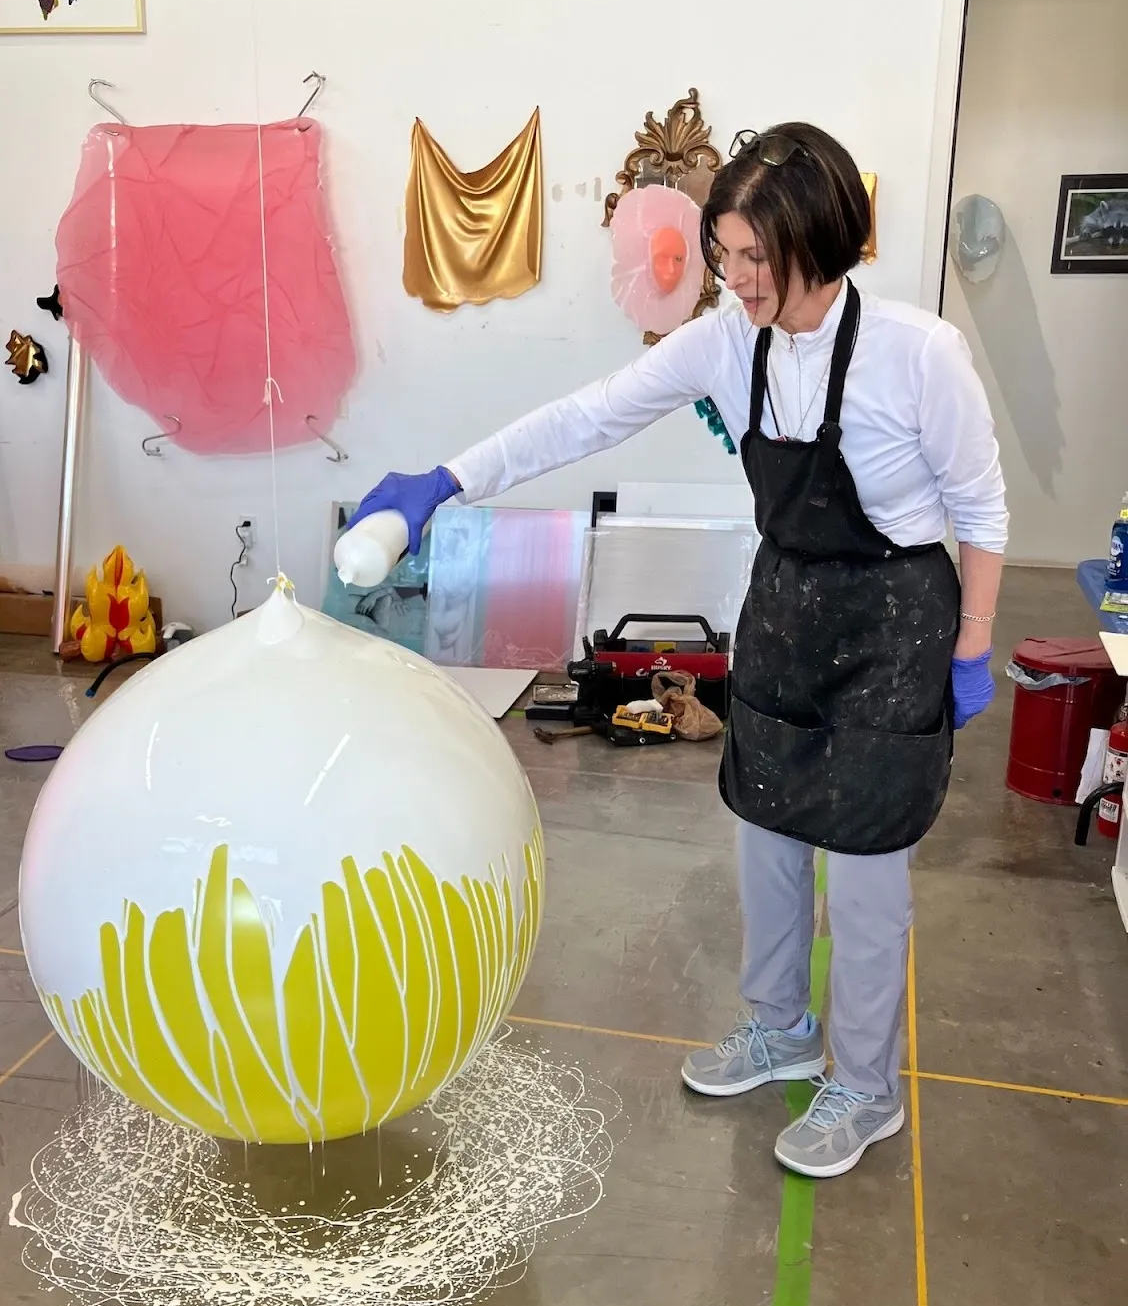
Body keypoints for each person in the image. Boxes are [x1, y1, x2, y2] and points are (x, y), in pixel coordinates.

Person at [349, 123, 1008, 1179]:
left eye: (757, 259)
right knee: (768, 827)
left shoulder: (917, 353)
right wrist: (445, 480)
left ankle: (866, 1085)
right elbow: (585, 421)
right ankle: (779, 1027)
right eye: (725, 255)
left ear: (821, 241)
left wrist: (973, 646)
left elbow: (982, 505)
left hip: (899, 614)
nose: (735, 280)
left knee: (869, 864)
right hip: (789, 595)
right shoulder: (723, 344)